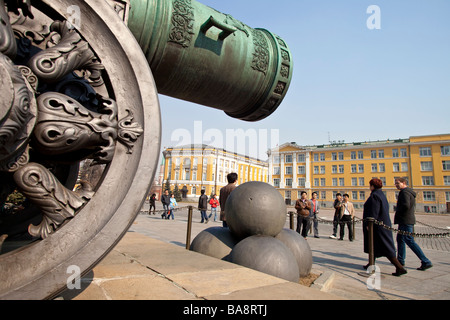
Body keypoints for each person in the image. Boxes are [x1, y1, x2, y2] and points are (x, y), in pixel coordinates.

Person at [363, 178, 407, 277]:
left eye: (370, 185)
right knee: (373, 245)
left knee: (385, 247)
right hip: (381, 224)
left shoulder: (375, 196)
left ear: (372, 186)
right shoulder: (381, 194)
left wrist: (370, 225)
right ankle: (371, 263)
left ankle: (399, 267)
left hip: (377, 226)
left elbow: (374, 211)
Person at [394, 178, 433, 271]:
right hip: (406, 220)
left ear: (403, 183)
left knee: (409, 240)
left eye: (397, 183)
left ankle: (425, 261)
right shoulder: (408, 191)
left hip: (405, 220)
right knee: (400, 239)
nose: (396, 185)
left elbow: (406, 205)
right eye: (395, 183)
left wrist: (398, 210)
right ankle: (400, 260)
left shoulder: (404, 192)